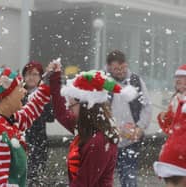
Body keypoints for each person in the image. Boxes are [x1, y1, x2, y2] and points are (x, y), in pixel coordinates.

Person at [49, 61, 137, 186]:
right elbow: (61, 113)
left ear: (86, 106)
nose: (69, 108)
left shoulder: (98, 141)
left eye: (71, 105)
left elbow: (83, 183)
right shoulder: (84, 128)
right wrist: (55, 78)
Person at [0, 67, 51, 187]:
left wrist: (46, 86)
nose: (24, 91)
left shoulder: (5, 120)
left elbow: (28, 114)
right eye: (19, 88)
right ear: (5, 97)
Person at [106, 50, 152, 187]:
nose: (120, 71)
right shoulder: (104, 83)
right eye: (116, 69)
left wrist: (140, 127)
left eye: (122, 68)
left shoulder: (135, 81)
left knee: (129, 177)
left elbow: (147, 106)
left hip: (130, 140)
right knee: (103, 178)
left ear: (126, 65)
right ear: (109, 67)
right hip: (108, 139)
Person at [22, 61, 54, 186]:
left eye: (35, 74)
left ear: (40, 77)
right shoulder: (18, 94)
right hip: (21, 139)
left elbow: (51, 117)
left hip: (38, 140)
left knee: (35, 177)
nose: (31, 77)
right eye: (28, 74)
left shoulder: (44, 94)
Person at [157, 64, 186, 135]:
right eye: (176, 77)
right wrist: (165, 117)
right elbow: (170, 129)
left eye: (182, 77)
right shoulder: (175, 99)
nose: (178, 79)